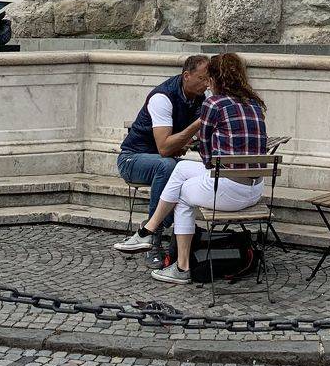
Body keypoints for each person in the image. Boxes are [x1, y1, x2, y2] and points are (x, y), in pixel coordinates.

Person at [131, 51, 268, 286]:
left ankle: (181, 267)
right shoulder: (254, 104)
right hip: (255, 189)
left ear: (216, 78)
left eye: (209, 78)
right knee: (181, 170)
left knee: (183, 194)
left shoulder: (214, 104)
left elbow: (206, 158)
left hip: (231, 192)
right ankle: (149, 229)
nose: (206, 84)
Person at [114, 54, 211, 263]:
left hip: (163, 160)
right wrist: (197, 125)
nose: (207, 84)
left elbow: (191, 138)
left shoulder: (200, 98)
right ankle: (153, 239)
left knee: (191, 172)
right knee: (167, 166)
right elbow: (165, 148)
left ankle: (169, 235)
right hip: (132, 159)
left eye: (209, 79)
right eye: (202, 78)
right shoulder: (163, 97)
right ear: (187, 76)